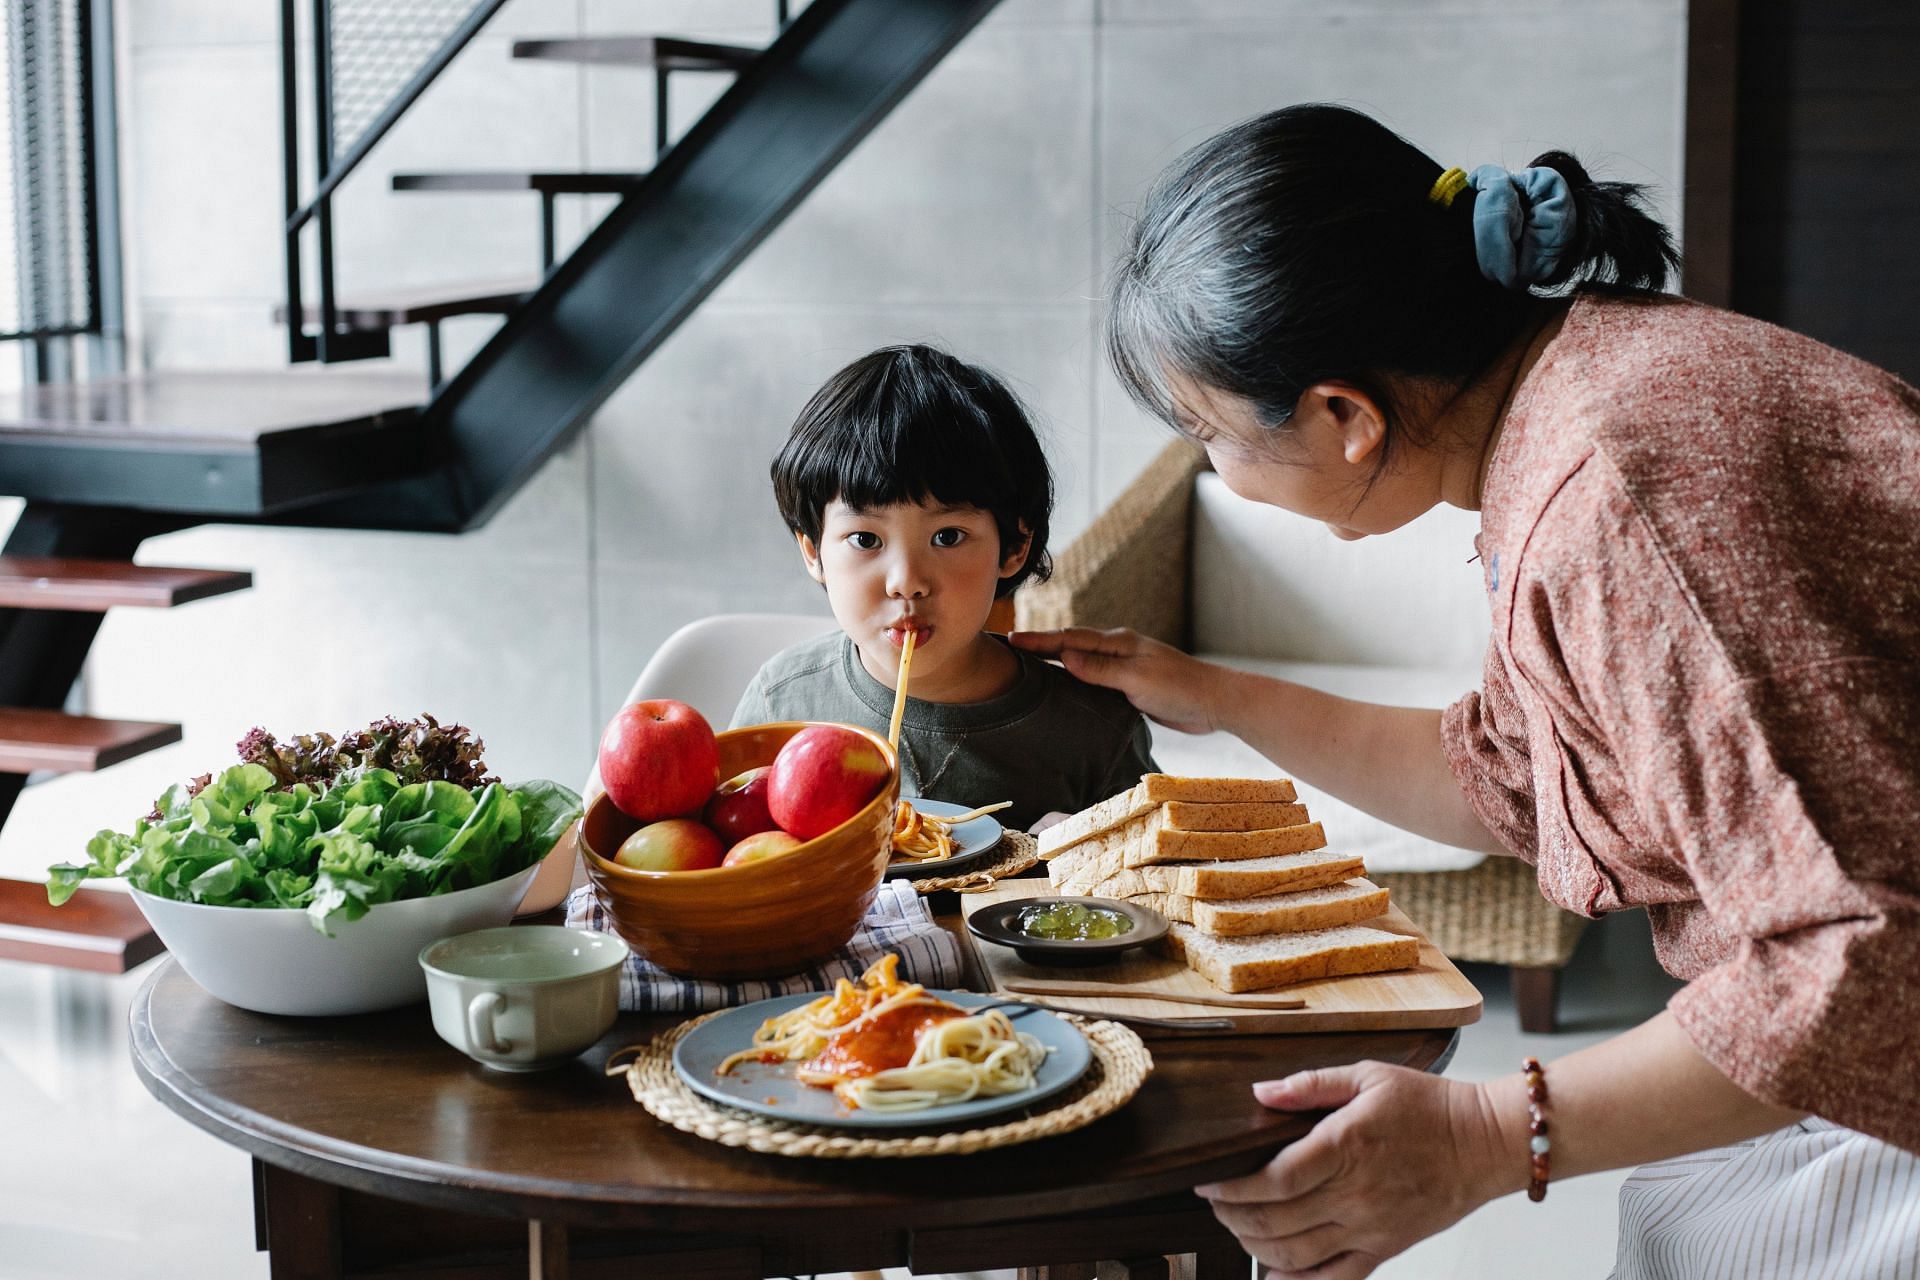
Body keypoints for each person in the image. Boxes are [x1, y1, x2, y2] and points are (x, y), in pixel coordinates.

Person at [1012, 103, 1920, 1277]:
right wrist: (1212, 691)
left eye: (1209, 430)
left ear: (1343, 415)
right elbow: (1512, 772)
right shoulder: (1579, 384)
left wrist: (1487, 1134)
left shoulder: (1622, 499)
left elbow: (1866, 963)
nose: (1213, 471)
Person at [733, 343, 1157, 833]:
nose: (907, 581)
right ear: (814, 552)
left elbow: (1154, 878)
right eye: (866, 539)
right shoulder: (782, 703)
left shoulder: (1093, 730)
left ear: (1015, 545)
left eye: (947, 537)